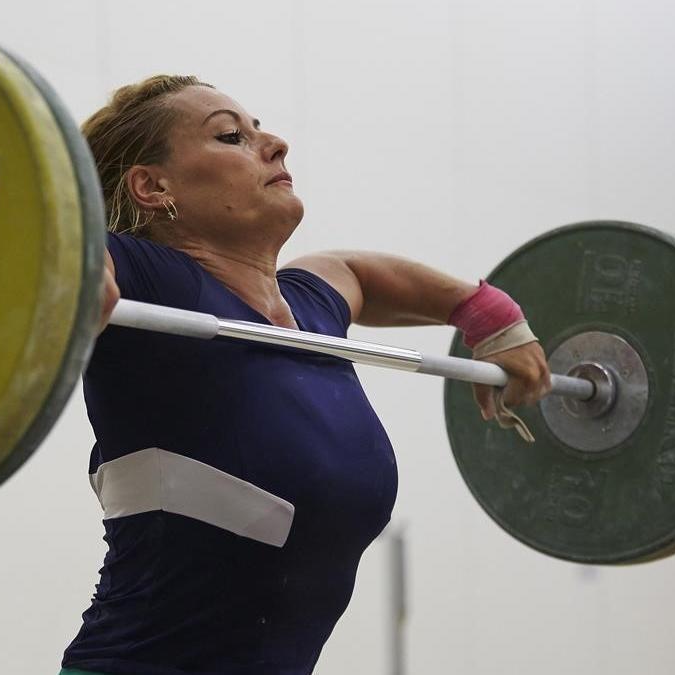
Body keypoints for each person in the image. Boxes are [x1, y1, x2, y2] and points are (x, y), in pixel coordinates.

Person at [61, 75, 550, 675]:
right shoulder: (148, 281)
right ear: (152, 185)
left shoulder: (311, 307)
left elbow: (358, 274)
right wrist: (74, 262)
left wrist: (491, 317)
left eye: (261, 130)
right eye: (232, 135)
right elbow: (61, 248)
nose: (275, 145)